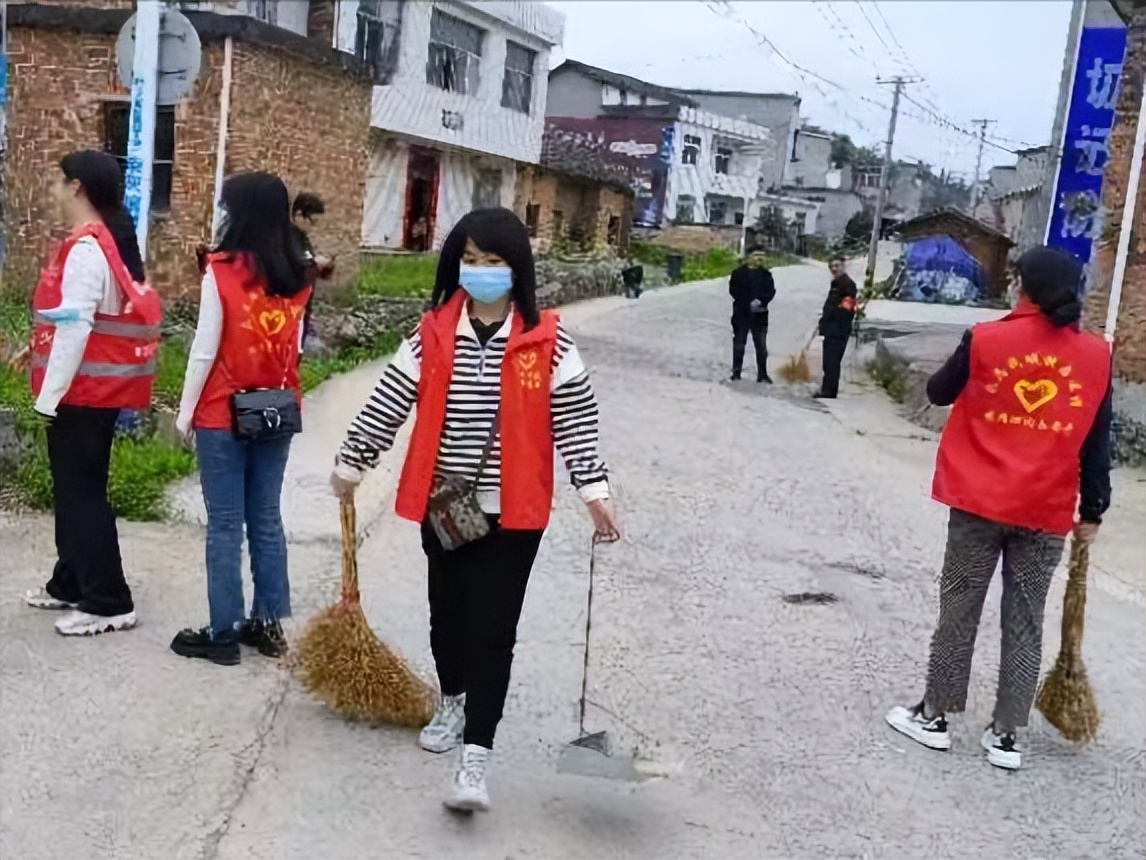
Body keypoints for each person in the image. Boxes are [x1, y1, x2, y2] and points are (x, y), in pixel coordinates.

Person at [330, 207, 621, 813]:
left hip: (513, 512)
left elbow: (576, 421)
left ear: (517, 269)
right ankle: (453, 698)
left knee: (495, 631)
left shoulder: (549, 340)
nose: (482, 272)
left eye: (494, 262)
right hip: (448, 502)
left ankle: (475, 761)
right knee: (449, 616)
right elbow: (389, 399)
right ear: (454, 264)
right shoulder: (432, 333)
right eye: (471, 260)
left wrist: (594, 493)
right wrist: (353, 462)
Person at [885, 246, 1112, 771]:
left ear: (1024, 287)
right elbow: (1098, 441)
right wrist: (1094, 510)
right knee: (1026, 620)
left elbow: (938, 393)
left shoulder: (985, 339)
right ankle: (1006, 735)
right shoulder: (1097, 356)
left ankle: (935, 716)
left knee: (959, 609)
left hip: (979, 502)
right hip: (1046, 510)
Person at [170, 172, 312, 666]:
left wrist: (185, 414)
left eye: (225, 206)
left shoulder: (222, 270)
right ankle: (267, 624)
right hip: (276, 406)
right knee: (266, 518)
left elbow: (205, 348)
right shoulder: (298, 275)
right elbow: (294, 348)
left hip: (223, 410)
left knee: (226, 523)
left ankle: (222, 631)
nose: (220, 214)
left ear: (242, 213)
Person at [23, 150, 161, 637]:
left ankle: (108, 600)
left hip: (81, 394)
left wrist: (49, 396)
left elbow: (77, 327)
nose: (56, 191)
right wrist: (34, 349)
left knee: (82, 496)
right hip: (90, 393)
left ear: (77, 187)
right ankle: (71, 581)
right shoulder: (103, 243)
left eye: (61, 182)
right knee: (76, 492)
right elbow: (72, 323)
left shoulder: (87, 248)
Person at [290, 191, 334, 351]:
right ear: (299, 215)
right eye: (312, 221)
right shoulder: (288, 238)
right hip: (293, 309)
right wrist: (314, 264)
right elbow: (296, 267)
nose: (313, 227)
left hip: (305, 307)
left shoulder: (303, 239)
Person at [728, 250, 776, 382]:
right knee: (739, 343)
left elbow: (771, 291)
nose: (759, 257)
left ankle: (762, 374)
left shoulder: (766, 275)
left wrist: (761, 301)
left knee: (761, 345)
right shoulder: (738, 273)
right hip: (741, 313)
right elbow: (734, 290)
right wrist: (747, 302)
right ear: (748, 257)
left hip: (760, 315)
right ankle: (736, 372)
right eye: (756, 255)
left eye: (762, 255)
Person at [815, 255, 857, 399]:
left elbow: (847, 309)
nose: (834, 269)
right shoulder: (837, 283)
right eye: (831, 266)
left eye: (837, 265)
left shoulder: (848, 285)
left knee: (832, 361)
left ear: (844, 266)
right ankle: (827, 389)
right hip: (831, 328)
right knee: (828, 361)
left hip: (839, 329)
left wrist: (830, 318)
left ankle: (829, 392)